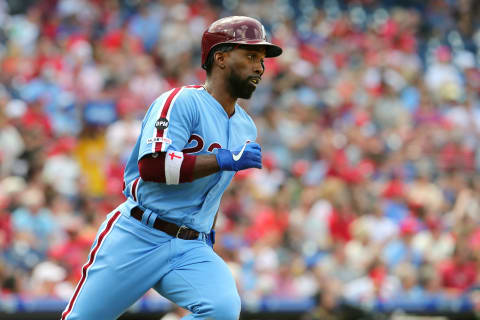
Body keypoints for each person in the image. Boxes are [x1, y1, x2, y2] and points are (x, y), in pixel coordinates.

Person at [61, 16, 282, 320]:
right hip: (140, 232)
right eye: (251, 56)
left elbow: (212, 192)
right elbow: (153, 165)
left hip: (191, 245)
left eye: (262, 59)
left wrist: (207, 227)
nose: (260, 67)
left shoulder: (246, 126)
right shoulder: (181, 101)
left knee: (222, 311)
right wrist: (224, 158)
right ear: (220, 57)